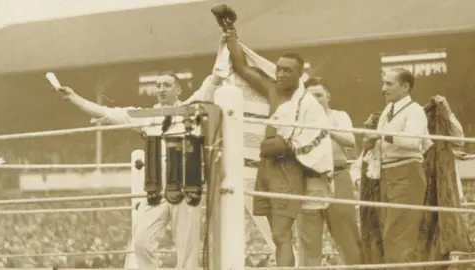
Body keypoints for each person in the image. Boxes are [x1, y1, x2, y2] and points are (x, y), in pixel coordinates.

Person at [55, 70, 223, 270]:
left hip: (186, 185)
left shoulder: (193, 108)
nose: (161, 89)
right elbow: (107, 112)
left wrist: (224, 43)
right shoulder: (145, 116)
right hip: (156, 189)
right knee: (141, 241)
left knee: (187, 249)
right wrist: (74, 98)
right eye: (158, 85)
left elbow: (213, 80)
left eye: (167, 85)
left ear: (178, 89)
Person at [211, 4, 333, 267]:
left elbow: (314, 139)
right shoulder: (273, 91)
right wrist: (229, 31)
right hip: (266, 170)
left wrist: (281, 146)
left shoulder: (307, 104)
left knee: (281, 234)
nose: (280, 74)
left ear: (299, 75)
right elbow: (242, 67)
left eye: (287, 70)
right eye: (278, 69)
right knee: (277, 237)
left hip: (288, 171)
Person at [363, 67, 429, 268]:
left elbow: (413, 141)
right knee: (389, 236)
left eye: (389, 84)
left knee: (397, 236)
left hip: (406, 173)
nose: (384, 88)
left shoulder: (414, 110)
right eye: (384, 83)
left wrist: (381, 135)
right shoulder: (387, 111)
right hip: (386, 173)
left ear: (406, 86)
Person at [297, 77, 362, 266]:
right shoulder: (299, 121)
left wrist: (326, 129)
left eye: (319, 95)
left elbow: (350, 141)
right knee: (308, 241)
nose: (315, 99)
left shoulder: (338, 116)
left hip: (338, 175)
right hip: (308, 179)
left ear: (328, 96)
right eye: (310, 96)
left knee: (347, 236)